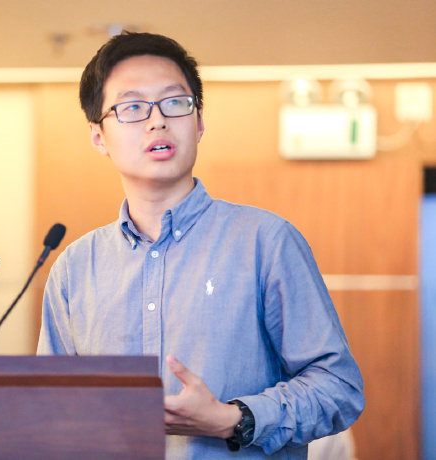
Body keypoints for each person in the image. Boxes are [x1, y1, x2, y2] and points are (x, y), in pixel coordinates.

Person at [37, 32, 364, 459]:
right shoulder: (74, 268)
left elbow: (339, 387)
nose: (157, 121)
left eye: (175, 102)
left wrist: (233, 419)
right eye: (132, 107)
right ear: (98, 136)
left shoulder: (266, 242)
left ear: (200, 122)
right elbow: (52, 406)